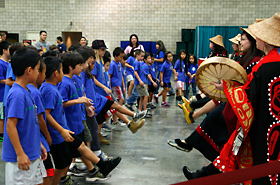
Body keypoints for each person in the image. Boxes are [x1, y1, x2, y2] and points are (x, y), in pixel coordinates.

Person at [183, 15, 278, 184]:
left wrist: (227, 88)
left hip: (260, 122)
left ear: (263, 40)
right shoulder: (273, 61)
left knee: (242, 152)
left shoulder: (262, 65)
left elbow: (248, 94)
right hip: (272, 120)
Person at [40, 56, 122, 185]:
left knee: (78, 149)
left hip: (65, 129)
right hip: (59, 133)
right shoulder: (51, 89)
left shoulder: (56, 87)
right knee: (63, 164)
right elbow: (46, 113)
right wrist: (61, 130)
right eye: (61, 69)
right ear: (56, 73)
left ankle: (100, 165)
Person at [1, 47, 47, 185]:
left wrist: (38, 144)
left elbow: (29, 125)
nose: (39, 72)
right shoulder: (17, 95)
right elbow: (10, 126)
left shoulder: (26, 91)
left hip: (31, 152)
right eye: (38, 69)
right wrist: (20, 153)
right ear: (29, 70)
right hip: (20, 159)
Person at [27, 60, 54, 185]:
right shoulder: (35, 93)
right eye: (40, 71)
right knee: (46, 174)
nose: (41, 75)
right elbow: (41, 119)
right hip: (40, 141)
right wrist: (48, 137)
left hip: (34, 141)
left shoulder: (27, 89)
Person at [0, 41, 11, 142]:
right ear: (4, 51)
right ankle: (1, 135)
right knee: (2, 116)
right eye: (9, 49)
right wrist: (10, 81)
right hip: (2, 94)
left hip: (7, 93)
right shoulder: (0, 63)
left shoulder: (8, 63)